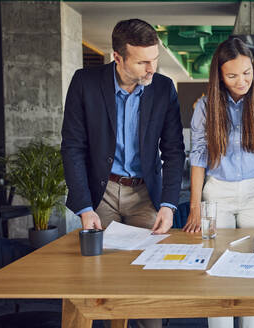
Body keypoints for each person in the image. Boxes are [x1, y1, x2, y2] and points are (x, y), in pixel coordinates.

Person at [61, 18, 185, 328]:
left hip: (145, 195)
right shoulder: (85, 83)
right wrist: (84, 207)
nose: (151, 69)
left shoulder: (162, 87)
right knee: (98, 286)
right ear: (118, 57)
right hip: (100, 195)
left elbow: (173, 150)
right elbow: (73, 147)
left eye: (154, 59)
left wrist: (168, 205)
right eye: (143, 62)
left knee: (149, 293)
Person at [183, 37, 254, 328]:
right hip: (217, 194)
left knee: (253, 268)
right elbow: (198, 157)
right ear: (219, 76)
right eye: (232, 75)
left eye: (247, 73)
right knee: (215, 267)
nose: (241, 81)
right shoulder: (205, 108)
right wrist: (195, 207)